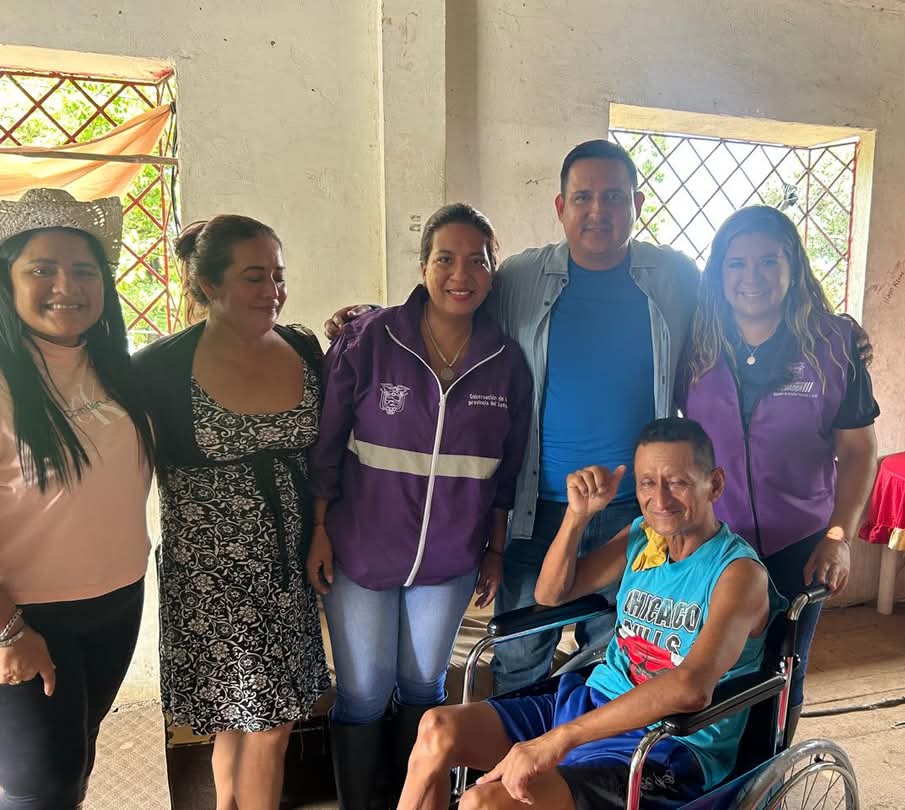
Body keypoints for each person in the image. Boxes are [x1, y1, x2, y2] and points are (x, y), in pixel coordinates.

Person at [326, 140, 702, 694]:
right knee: (520, 656)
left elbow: (728, 329)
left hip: (634, 510)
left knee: (617, 658)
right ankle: (515, 750)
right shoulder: (524, 276)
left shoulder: (676, 279)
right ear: (560, 207)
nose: (598, 210)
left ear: (638, 204)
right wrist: (368, 319)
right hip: (536, 510)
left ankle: (585, 750)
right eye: (583, 197)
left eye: (614, 197)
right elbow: (454, 298)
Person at [397, 418, 784, 810]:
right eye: (647, 483)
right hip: (594, 701)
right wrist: (577, 517)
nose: (660, 498)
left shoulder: (738, 574)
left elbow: (691, 688)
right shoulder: (643, 536)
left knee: (484, 802)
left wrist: (560, 739)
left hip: (666, 743)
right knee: (436, 730)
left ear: (714, 484)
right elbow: (550, 594)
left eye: (677, 482)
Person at [307, 203, 532, 807]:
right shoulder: (369, 339)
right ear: (423, 265)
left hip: (450, 560)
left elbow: (505, 471)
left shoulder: (506, 363)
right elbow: (327, 445)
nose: (461, 274)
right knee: (362, 691)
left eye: (477, 261)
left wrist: (494, 549)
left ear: (493, 272)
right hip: (360, 552)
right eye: (445, 259)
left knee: (423, 686)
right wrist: (320, 527)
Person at [135, 215, 330, 810]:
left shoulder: (303, 347)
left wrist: (322, 530)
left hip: (287, 569)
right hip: (211, 577)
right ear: (208, 284)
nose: (272, 290)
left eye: (278, 275)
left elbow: (327, 455)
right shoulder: (158, 368)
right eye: (253, 277)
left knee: (262, 721)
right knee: (251, 722)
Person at [681, 205, 879, 740]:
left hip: (800, 545)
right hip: (715, 544)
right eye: (737, 263)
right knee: (707, 670)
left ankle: (768, 774)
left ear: (794, 269)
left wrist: (838, 538)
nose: (753, 277)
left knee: (781, 671)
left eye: (769, 261)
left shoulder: (834, 346)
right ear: (719, 273)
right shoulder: (695, 344)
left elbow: (859, 452)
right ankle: (709, 774)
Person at [0, 188, 155, 808]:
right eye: (42, 269)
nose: (66, 286)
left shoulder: (119, 371)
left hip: (117, 601)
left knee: (76, 757)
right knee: (41, 785)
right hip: (28, 615)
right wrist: (7, 631)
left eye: (84, 270)